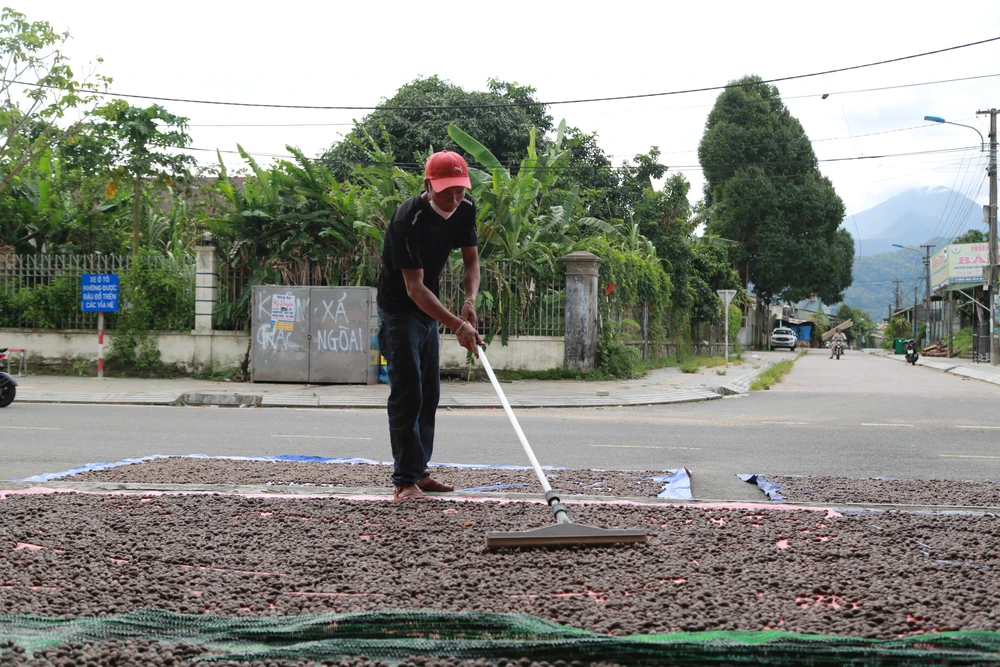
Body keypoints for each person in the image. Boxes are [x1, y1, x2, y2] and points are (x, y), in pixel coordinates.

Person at [376, 150, 484, 501]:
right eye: (446, 191)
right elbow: (414, 288)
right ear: (428, 185)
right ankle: (404, 482)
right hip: (399, 311)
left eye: (460, 190)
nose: (454, 199)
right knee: (408, 393)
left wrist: (469, 302)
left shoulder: (465, 209)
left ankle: (419, 472)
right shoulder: (407, 220)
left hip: (427, 310)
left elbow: (471, 261)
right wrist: (457, 325)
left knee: (429, 394)